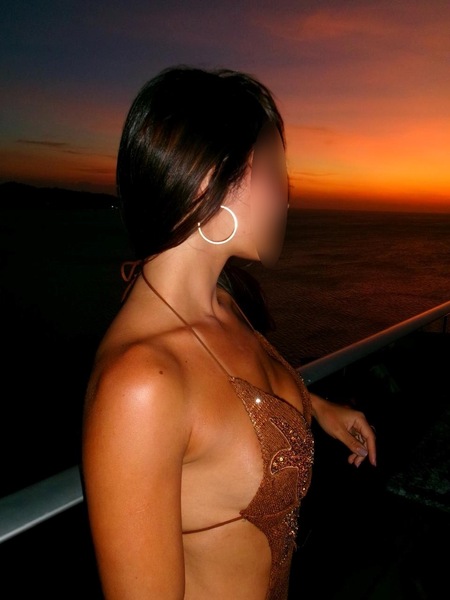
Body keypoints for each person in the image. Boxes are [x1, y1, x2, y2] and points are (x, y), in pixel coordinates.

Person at [81, 65, 376, 600]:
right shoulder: (139, 386)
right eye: (272, 169)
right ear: (207, 181)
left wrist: (316, 408)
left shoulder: (221, 301)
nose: (286, 195)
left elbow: (231, 402)